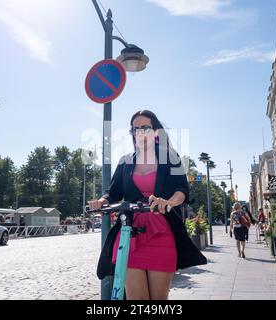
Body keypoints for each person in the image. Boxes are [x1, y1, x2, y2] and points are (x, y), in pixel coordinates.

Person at [88, 110, 207, 300]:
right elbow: (113, 193)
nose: (140, 133)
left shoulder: (171, 159)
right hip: (129, 234)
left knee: (158, 299)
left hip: (161, 231)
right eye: (135, 129)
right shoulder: (126, 161)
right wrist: (101, 201)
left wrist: (168, 202)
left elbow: (182, 190)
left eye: (145, 127)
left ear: (156, 132)